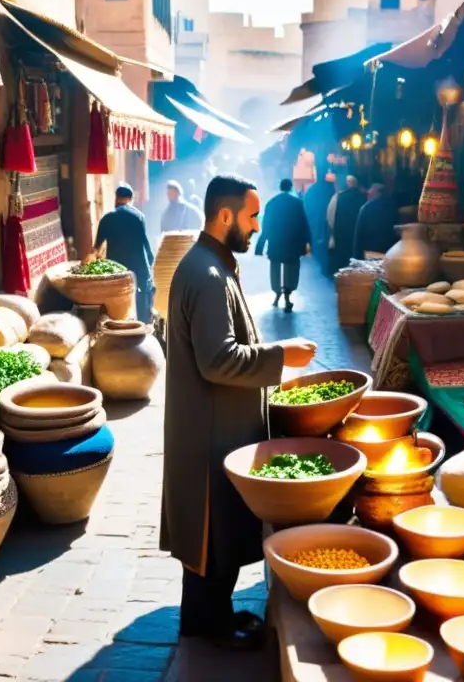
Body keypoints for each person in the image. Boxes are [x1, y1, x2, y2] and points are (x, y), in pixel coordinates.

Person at [160, 174, 317, 650]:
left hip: (215, 425)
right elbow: (218, 359)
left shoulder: (214, 265)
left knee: (220, 534)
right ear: (224, 215)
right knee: (212, 534)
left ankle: (212, 617)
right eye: (251, 217)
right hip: (209, 431)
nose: (255, 227)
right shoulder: (207, 274)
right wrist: (281, 355)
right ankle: (207, 626)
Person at [94, 183, 156, 323]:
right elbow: (145, 244)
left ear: (116, 198)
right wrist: (150, 263)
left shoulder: (107, 218)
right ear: (131, 199)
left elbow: (96, 248)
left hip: (117, 271)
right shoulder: (139, 216)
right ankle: (143, 333)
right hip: (139, 270)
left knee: (119, 310)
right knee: (141, 309)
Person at [254, 178, 311, 312]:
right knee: (291, 270)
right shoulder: (297, 203)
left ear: (280, 187)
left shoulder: (272, 203)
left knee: (275, 269)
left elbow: (266, 226)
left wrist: (261, 244)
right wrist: (307, 243)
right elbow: (303, 225)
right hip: (293, 244)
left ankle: (277, 293)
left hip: (276, 243)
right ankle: (287, 296)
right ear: (290, 187)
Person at [329, 174, 367, 273]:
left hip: (341, 235)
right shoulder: (363, 197)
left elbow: (331, 217)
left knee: (343, 263)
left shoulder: (339, 197)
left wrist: (333, 233)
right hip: (357, 235)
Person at [352, 182, 399, 260]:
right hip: (389, 253)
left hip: (369, 254)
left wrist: (356, 257)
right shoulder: (392, 207)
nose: (368, 194)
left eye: (370, 193)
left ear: (377, 193)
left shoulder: (366, 208)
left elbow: (359, 235)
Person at [302, 167, 334, 275]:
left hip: (316, 223)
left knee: (319, 246)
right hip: (328, 222)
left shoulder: (312, 190)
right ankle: (327, 269)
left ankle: (323, 268)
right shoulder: (331, 188)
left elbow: (306, 208)